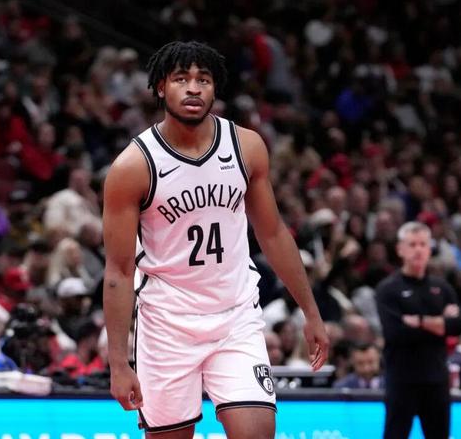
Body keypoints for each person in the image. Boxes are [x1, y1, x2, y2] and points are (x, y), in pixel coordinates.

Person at [102, 41, 329, 438]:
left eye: (203, 80)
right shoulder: (133, 166)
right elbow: (119, 271)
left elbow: (273, 233)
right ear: (160, 87)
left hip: (235, 317)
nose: (193, 88)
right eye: (181, 79)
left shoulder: (246, 146)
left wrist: (310, 311)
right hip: (167, 324)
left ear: (215, 88)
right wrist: (119, 363)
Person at [376, 221, 461, 439]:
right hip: (402, 379)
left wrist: (420, 321)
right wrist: (440, 324)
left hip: (436, 379)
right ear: (400, 249)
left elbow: (458, 325)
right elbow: (396, 332)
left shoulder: (441, 287)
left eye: (423, 244)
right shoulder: (388, 289)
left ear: (430, 249)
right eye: (412, 244)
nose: (418, 250)